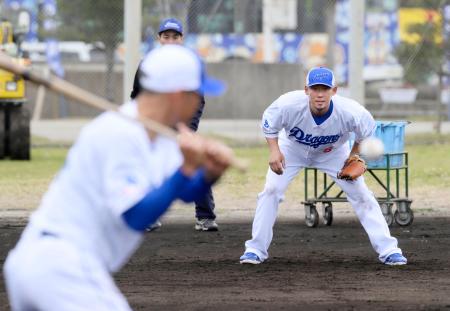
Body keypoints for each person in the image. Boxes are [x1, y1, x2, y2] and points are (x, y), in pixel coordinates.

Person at [4, 45, 232, 310]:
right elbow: (136, 216)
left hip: (52, 264)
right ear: (178, 95)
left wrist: (209, 174)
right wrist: (186, 170)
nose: (199, 101)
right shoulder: (119, 133)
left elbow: (183, 192)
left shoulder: (164, 138)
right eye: (198, 94)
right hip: (60, 263)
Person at [239, 67, 407, 266]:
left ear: (334, 91)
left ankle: (389, 250)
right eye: (315, 88)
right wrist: (274, 150)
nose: (320, 94)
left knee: (361, 194)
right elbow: (269, 124)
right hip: (292, 149)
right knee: (271, 190)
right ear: (306, 90)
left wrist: (353, 155)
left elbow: (365, 133)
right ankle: (255, 250)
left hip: (333, 153)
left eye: (325, 89)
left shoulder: (352, 112)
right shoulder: (287, 104)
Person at [131, 18, 218, 232]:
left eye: (175, 36)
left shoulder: (189, 64)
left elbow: (198, 100)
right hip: (153, 127)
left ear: (182, 39)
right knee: (149, 167)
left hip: (182, 127)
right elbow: (137, 96)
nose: (170, 40)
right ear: (159, 39)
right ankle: (149, 216)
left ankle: (205, 217)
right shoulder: (147, 64)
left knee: (196, 162)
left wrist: (188, 129)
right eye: (166, 36)